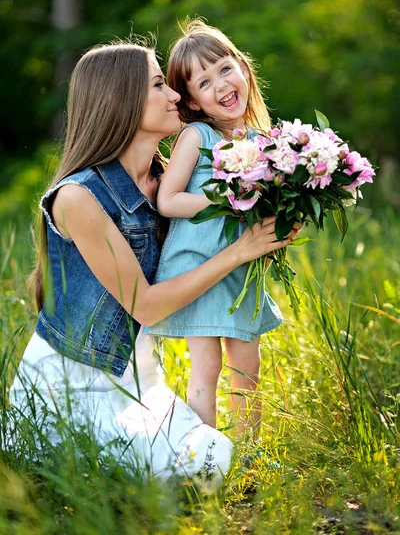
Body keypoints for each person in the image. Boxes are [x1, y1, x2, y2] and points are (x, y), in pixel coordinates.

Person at [8, 39, 296, 484]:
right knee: (201, 466)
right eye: (160, 84)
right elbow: (145, 306)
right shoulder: (79, 197)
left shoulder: (167, 183)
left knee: (213, 455)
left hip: (142, 384)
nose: (177, 95)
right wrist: (241, 250)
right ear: (119, 101)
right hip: (72, 392)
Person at [142, 19, 300, 438]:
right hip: (196, 265)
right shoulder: (197, 136)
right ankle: (203, 457)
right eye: (204, 82)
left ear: (243, 68)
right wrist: (228, 197)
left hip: (240, 270)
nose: (220, 85)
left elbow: (263, 211)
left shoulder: (262, 142)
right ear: (192, 100)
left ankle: (249, 460)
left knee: (248, 365)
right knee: (207, 365)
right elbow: (168, 201)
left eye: (225, 69)